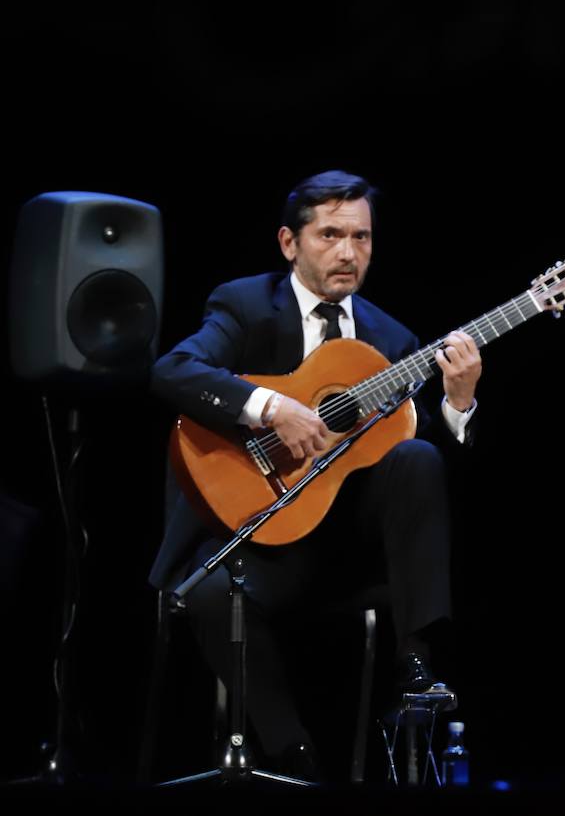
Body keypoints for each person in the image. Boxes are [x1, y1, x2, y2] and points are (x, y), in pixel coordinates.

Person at [148, 170, 481, 777]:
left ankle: (417, 669)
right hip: (258, 544)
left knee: (418, 456)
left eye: (362, 237)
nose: (349, 253)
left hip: (345, 555)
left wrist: (458, 404)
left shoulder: (392, 340)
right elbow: (174, 370)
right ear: (288, 243)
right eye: (330, 235)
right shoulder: (245, 304)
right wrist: (272, 407)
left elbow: (419, 475)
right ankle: (294, 759)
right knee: (215, 597)